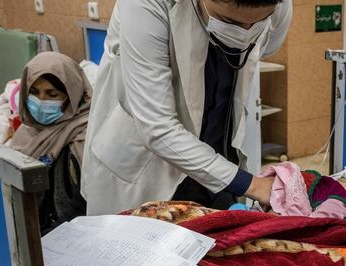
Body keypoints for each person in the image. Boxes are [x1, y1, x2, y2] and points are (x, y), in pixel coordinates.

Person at [81, 0, 292, 215]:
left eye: (258, 22)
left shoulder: (279, 5)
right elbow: (157, 127)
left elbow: (267, 45)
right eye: (229, 21)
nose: (245, 33)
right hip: (146, 166)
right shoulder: (145, 5)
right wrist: (253, 185)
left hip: (219, 158)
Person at [10, 52, 91, 233]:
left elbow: (86, 206)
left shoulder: (86, 136)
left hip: (72, 235)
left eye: (52, 94)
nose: (40, 102)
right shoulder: (25, 133)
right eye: (34, 93)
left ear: (72, 96)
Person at [246, 163, 346, 221]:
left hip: (288, 212)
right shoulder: (333, 190)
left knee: (267, 219)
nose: (344, 178)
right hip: (281, 198)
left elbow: (318, 222)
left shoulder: (340, 201)